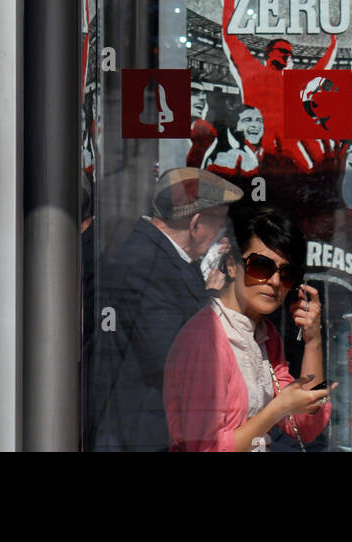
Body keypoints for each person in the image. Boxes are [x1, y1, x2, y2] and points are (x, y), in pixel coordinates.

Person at [164, 203, 334, 452]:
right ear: (232, 265)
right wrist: (278, 409)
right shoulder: (205, 338)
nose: (274, 282)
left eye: (287, 273)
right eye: (261, 267)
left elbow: (306, 425)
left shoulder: (264, 334)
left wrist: (313, 341)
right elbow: (204, 448)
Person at [94, 167, 242, 452]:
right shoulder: (145, 264)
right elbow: (175, 357)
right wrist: (212, 295)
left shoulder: (158, 255)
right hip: (147, 436)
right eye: (220, 223)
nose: (221, 234)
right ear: (196, 223)